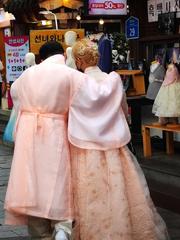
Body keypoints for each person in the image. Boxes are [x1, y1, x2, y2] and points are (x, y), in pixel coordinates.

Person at [68, 38, 169, 240]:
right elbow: (123, 109)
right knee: (121, 190)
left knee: (91, 193)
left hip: (85, 146)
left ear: (79, 61)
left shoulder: (76, 82)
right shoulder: (113, 79)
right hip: (115, 144)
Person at [4, 41, 89, 240]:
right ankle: (62, 226)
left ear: (41, 58)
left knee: (31, 181)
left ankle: (40, 232)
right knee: (60, 178)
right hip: (58, 128)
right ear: (63, 54)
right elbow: (86, 104)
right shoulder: (71, 75)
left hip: (28, 132)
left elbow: (15, 96)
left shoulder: (27, 75)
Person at [152, 48, 180, 126]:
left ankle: (173, 121)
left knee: (172, 103)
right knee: (166, 103)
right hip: (168, 86)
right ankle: (164, 120)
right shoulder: (171, 67)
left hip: (171, 86)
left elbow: (172, 77)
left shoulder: (173, 68)